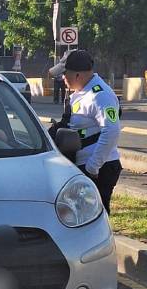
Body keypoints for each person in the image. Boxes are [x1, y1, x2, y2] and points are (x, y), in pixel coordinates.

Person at [49, 49, 121, 213]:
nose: (62, 78)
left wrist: (92, 167)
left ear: (77, 75)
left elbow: (112, 131)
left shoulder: (99, 95)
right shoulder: (81, 92)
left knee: (93, 218)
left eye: (64, 74)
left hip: (99, 169)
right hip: (82, 165)